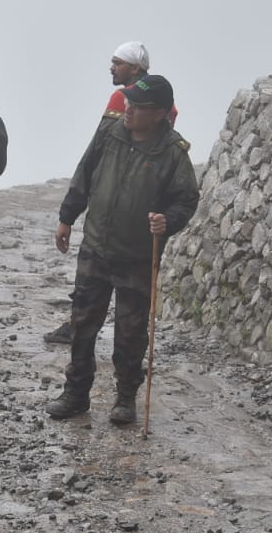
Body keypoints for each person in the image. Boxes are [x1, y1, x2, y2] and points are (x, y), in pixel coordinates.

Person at [45, 75, 199, 425]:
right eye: (128, 101)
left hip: (138, 257)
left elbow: (186, 199)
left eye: (137, 106)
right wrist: (67, 218)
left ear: (159, 113)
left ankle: (125, 398)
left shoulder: (173, 153)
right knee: (82, 325)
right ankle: (75, 394)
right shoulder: (109, 132)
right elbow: (84, 173)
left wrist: (168, 221)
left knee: (130, 334)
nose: (127, 109)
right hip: (95, 248)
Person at [45, 41, 178, 344]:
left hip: (116, 223)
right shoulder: (165, 105)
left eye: (118, 62)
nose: (112, 67)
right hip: (142, 222)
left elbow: (94, 160)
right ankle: (129, 351)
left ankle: (91, 335)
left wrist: (68, 214)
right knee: (133, 301)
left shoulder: (120, 100)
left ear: (134, 69)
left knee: (96, 285)